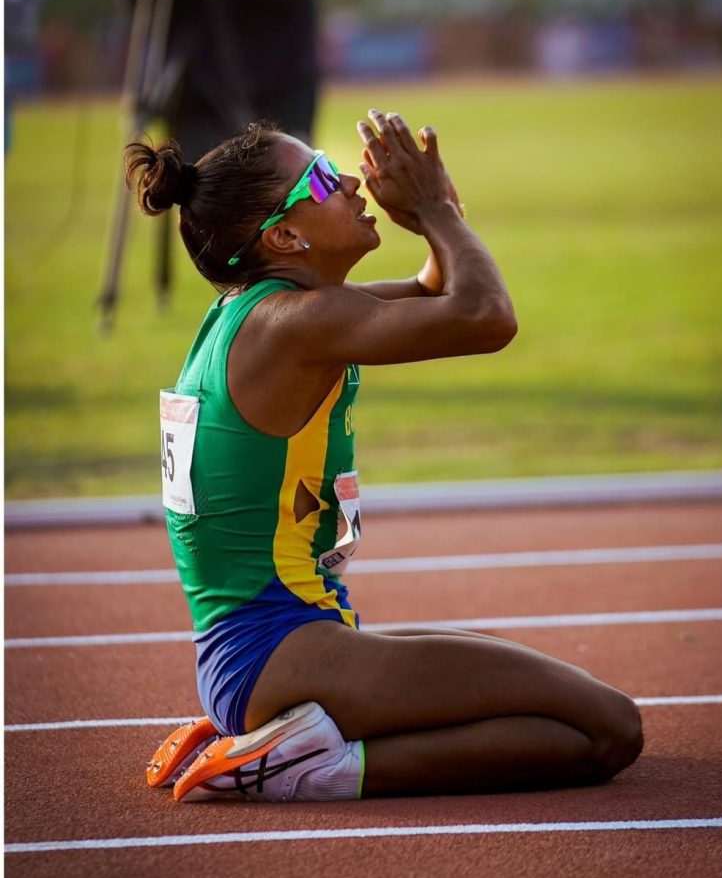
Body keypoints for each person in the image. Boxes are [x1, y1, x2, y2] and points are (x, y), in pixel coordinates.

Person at [126, 109, 643, 803]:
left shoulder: (272, 313)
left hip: (273, 652)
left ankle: (295, 743)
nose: (344, 178)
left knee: (581, 718)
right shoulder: (292, 325)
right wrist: (432, 210)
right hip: (281, 652)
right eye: (318, 177)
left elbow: (438, 288)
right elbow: (486, 316)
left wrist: (441, 207)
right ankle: (317, 768)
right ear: (284, 235)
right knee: (609, 728)